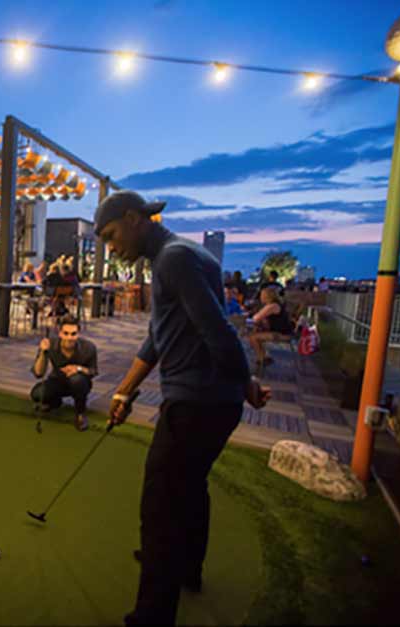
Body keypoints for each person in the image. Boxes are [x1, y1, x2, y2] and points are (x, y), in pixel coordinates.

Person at [94, 190, 271, 626]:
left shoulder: (173, 259)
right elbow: (161, 335)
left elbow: (218, 331)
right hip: (208, 401)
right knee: (190, 488)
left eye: (112, 236)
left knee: (161, 508)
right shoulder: (178, 256)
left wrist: (245, 381)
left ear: (135, 219)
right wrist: (124, 391)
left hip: (197, 403)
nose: (111, 247)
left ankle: (153, 615)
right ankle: (187, 568)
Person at [30, 315, 98, 431]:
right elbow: (38, 373)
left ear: (78, 334)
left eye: (73, 334)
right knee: (37, 393)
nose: (69, 338)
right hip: (57, 380)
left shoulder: (89, 347)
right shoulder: (50, 344)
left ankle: (80, 413)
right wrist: (43, 352)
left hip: (80, 383)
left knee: (76, 380)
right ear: (60, 333)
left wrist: (78, 369)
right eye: (66, 333)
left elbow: (93, 371)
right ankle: (55, 402)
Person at [248, 286, 294, 367]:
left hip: (283, 334)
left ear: (267, 296)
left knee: (253, 337)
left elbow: (256, 318)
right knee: (256, 332)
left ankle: (262, 359)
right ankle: (264, 357)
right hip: (283, 332)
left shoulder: (272, 306)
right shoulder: (276, 304)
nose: (260, 297)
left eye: (262, 295)